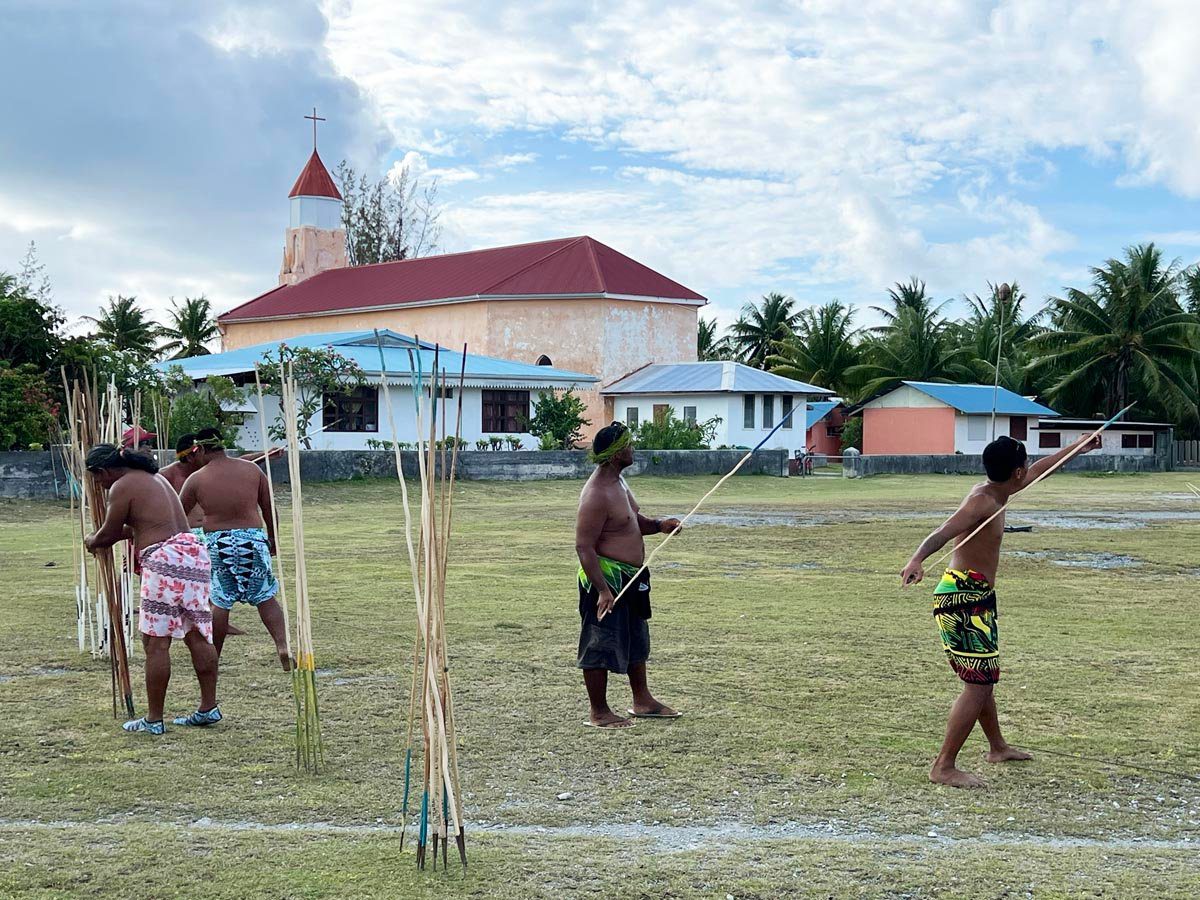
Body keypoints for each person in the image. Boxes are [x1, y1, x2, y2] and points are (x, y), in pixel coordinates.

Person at [900, 432, 1101, 788]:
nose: (1028, 470)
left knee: (984, 678)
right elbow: (943, 532)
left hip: (976, 596)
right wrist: (917, 559)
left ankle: (997, 747)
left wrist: (1078, 447)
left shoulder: (999, 491)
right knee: (977, 684)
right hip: (962, 598)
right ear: (1016, 472)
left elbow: (1041, 470)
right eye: (1025, 465)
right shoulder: (982, 501)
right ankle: (943, 766)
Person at [82, 444, 220, 735]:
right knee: (197, 634)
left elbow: (108, 533)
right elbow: (138, 527)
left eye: (96, 478)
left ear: (104, 471)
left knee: (156, 642)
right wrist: (103, 536)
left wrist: (92, 541)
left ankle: (154, 719)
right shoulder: (155, 479)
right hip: (193, 553)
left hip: (163, 559)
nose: (98, 484)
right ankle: (209, 707)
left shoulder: (121, 485)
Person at [574, 422, 683, 728]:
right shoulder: (596, 494)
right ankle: (599, 712)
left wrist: (661, 525)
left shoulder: (620, 485)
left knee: (637, 639)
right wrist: (603, 590)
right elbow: (584, 547)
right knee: (600, 642)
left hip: (632, 579)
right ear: (614, 454)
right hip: (606, 582)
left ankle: (642, 701)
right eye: (627, 444)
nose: (632, 448)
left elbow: (635, 522)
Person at [180, 428, 291, 669]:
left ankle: (214, 656)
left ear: (199, 450)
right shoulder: (252, 470)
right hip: (252, 538)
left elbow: (178, 514)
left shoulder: (197, 478)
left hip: (218, 543)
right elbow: (269, 508)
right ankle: (283, 645)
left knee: (221, 599)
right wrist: (273, 539)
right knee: (266, 596)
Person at [161, 433, 245, 636]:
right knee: (196, 582)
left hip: (208, 534)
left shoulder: (205, 471)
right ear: (190, 456)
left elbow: (236, 462)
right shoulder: (167, 475)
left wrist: (266, 453)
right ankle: (202, 621)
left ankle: (216, 620)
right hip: (186, 534)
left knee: (215, 580)